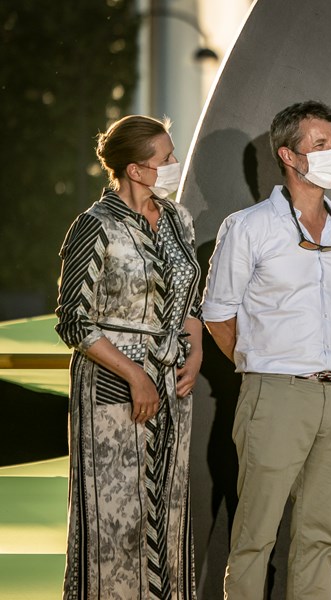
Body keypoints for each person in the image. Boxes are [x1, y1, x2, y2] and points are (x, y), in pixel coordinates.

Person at [201, 100, 331, 599]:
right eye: (320, 145)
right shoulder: (249, 225)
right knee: (255, 536)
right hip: (274, 393)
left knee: (322, 537)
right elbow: (217, 313)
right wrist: (261, 365)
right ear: (288, 156)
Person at [56, 114, 202, 599]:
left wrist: (195, 347)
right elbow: (73, 321)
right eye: (166, 157)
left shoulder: (179, 219)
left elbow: (191, 297)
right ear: (136, 170)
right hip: (114, 386)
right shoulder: (93, 226)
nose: (176, 163)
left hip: (173, 383)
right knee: (114, 518)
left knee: (168, 514)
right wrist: (136, 374)